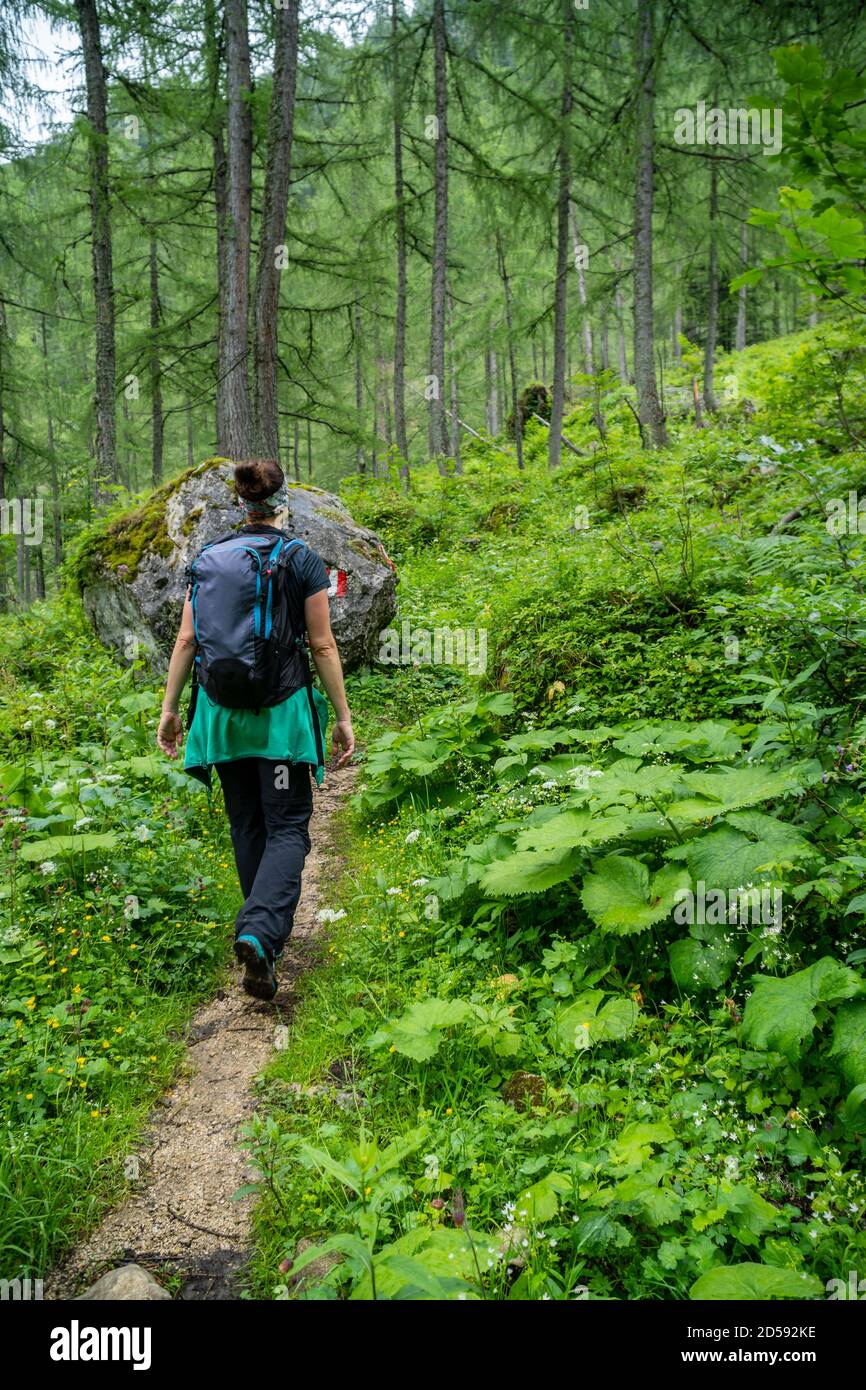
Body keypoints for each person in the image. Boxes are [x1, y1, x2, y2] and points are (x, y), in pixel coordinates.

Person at [156, 458, 355, 1000]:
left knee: (247, 825)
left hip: (220, 718)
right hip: (280, 718)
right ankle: (260, 933)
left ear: (241, 506)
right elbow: (321, 645)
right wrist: (340, 716)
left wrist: (171, 710)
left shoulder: (208, 557)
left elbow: (186, 642)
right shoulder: (301, 559)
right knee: (287, 826)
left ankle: (259, 938)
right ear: (281, 501)